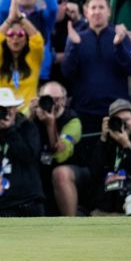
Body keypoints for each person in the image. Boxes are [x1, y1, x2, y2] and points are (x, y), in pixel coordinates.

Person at [62, 0, 131, 135]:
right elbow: (67, 72)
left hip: (115, 111)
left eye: (101, 7)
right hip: (84, 110)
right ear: (86, 12)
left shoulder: (120, 36)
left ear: (109, 11)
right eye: (93, 8)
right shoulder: (77, 37)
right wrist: (74, 47)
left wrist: (119, 46)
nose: (97, 12)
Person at [0, 87, 44, 217]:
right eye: (1, 108)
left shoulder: (27, 127)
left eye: (9, 107)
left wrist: (9, 131)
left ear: (15, 109)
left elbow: (29, 157)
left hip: (27, 201)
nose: (6, 112)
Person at [88, 99, 131, 216]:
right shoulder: (106, 142)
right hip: (106, 207)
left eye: (126, 120)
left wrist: (127, 146)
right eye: (119, 121)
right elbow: (94, 172)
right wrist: (103, 140)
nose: (123, 125)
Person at [28, 82, 83, 216]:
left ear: (64, 100)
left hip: (70, 170)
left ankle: (71, 226)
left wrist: (50, 124)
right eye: (47, 99)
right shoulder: (33, 113)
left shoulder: (72, 121)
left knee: (60, 174)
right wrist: (29, 117)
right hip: (39, 171)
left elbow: (60, 156)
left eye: (57, 99)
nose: (52, 103)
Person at [0, 0, 44, 111]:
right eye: (11, 34)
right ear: (5, 38)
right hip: (4, 114)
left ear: (26, 38)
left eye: (20, 34)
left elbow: (38, 41)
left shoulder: (33, 58)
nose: (15, 38)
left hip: (29, 115)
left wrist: (20, 17)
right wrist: (9, 19)